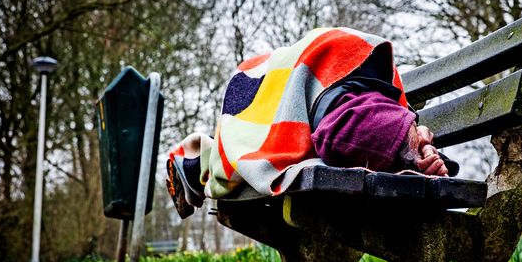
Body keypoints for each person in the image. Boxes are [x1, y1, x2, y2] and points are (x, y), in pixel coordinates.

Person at [166, 27, 457, 218]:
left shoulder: (358, 124)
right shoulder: (360, 119)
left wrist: (418, 148)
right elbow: (346, 129)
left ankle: (198, 160)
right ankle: (198, 160)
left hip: (338, 79)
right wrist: (416, 143)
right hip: (333, 68)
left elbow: (339, 134)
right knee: (253, 119)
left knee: (246, 133)